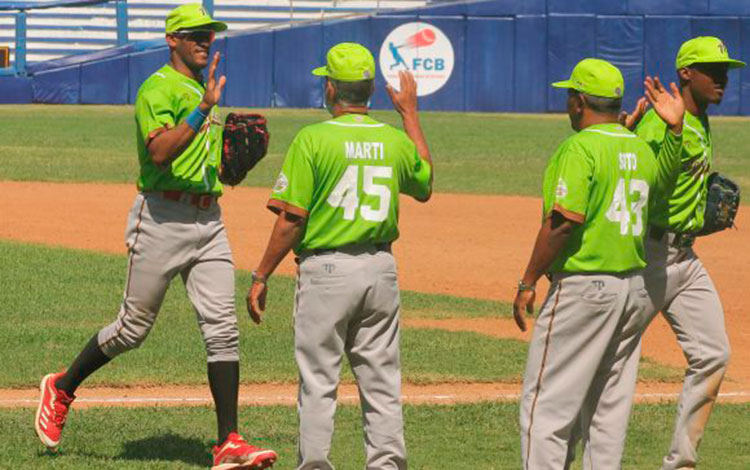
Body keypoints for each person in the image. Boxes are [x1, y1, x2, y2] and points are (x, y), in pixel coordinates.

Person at [34, 5, 278, 469]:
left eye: (209, 34)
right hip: (161, 217)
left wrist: (226, 166)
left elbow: (203, 161)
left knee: (223, 330)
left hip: (209, 222)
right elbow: (161, 151)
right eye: (196, 35)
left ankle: (228, 440)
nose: (205, 41)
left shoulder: (199, 87)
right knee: (132, 329)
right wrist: (204, 108)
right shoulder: (158, 89)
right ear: (172, 39)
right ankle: (62, 387)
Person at [246, 42, 432, 470]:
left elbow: (292, 219)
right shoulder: (392, 139)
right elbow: (425, 183)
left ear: (330, 89)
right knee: (382, 382)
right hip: (380, 271)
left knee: (318, 381)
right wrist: (409, 116)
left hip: (327, 272)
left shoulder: (313, 139)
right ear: (369, 91)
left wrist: (261, 274)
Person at [513, 58, 685, 469]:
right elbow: (663, 183)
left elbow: (561, 224)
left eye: (570, 95)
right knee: (609, 409)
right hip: (632, 290)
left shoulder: (580, 147)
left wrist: (528, 279)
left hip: (583, 289)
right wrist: (674, 131)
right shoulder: (640, 147)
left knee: (545, 409)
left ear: (579, 102)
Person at [623, 36, 745, 470]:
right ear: (686, 74)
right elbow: (638, 183)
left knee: (713, 354)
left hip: (685, 260)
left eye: (727, 71)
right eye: (714, 71)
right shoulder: (663, 122)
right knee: (610, 361)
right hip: (648, 257)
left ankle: (681, 464)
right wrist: (632, 132)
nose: (724, 79)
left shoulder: (701, 118)